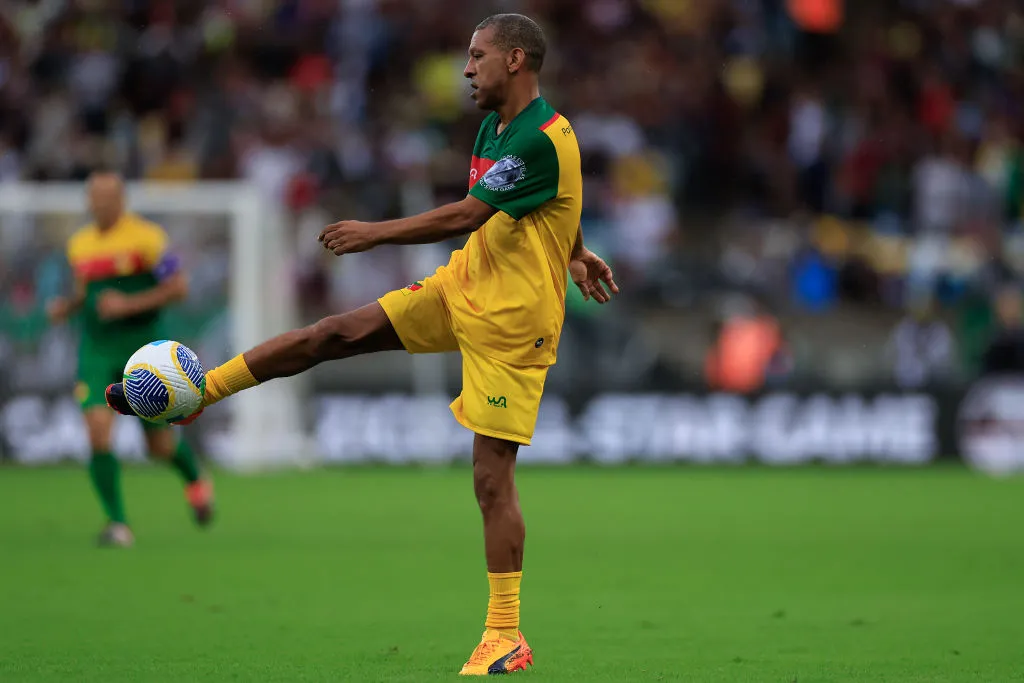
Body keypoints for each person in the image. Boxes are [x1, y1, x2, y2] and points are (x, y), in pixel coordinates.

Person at [107, 13, 616, 675]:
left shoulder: (547, 137)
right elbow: (545, 202)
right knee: (331, 333)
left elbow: (470, 213)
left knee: (491, 482)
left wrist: (374, 233)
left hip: (513, 329)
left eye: (477, 56)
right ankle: (200, 393)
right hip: (464, 286)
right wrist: (573, 250)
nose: (466, 69)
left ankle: (505, 635)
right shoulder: (496, 127)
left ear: (516, 60)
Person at [48, 171, 214, 548]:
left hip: (142, 352)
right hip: (96, 347)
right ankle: (118, 523)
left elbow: (179, 288)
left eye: (106, 197)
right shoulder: (80, 244)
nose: (99, 204)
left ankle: (194, 477)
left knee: (158, 447)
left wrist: (128, 305)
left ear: (121, 200)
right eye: (93, 197)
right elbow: (84, 293)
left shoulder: (148, 239)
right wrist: (66, 306)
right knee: (97, 430)